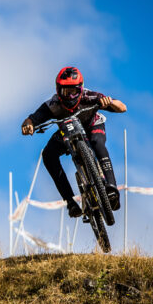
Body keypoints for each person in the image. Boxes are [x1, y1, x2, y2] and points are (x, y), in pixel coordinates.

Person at [21, 67, 126, 218]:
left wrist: (109, 102)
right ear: (58, 91)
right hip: (67, 131)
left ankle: (111, 188)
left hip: (92, 126)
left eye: (73, 91)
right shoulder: (53, 104)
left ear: (81, 89)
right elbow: (31, 119)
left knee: (98, 143)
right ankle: (70, 202)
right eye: (65, 91)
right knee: (48, 155)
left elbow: (123, 107)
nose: (70, 96)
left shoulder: (89, 96)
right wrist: (28, 125)